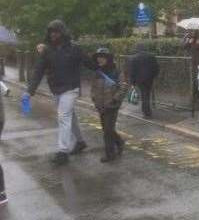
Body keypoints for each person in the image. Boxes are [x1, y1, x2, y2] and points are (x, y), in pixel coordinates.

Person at [27, 20, 95, 165]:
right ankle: (81, 141)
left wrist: (103, 65)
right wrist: (30, 90)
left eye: (56, 31)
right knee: (71, 116)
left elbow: (90, 63)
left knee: (63, 116)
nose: (53, 34)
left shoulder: (74, 49)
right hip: (56, 89)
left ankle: (62, 152)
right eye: (51, 31)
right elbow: (38, 70)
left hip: (71, 88)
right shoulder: (47, 51)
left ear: (62, 32)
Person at [91, 48, 128, 162]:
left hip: (112, 105)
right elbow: (94, 88)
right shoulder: (98, 72)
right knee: (107, 129)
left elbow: (123, 87)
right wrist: (94, 99)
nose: (99, 59)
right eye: (98, 57)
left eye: (102, 57)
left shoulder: (116, 72)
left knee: (107, 130)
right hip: (101, 105)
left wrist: (114, 99)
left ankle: (110, 154)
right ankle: (119, 141)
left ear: (108, 58)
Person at [129, 44, 159, 118]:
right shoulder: (151, 56)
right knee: (147, 94)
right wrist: (153, 76)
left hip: (139, 79)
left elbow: (132, 71)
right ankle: (147, 111)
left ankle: (146, 112)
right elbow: (156, 68)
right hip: (149, 79)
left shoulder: (134, 58)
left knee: (144, 95)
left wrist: (132, 82)